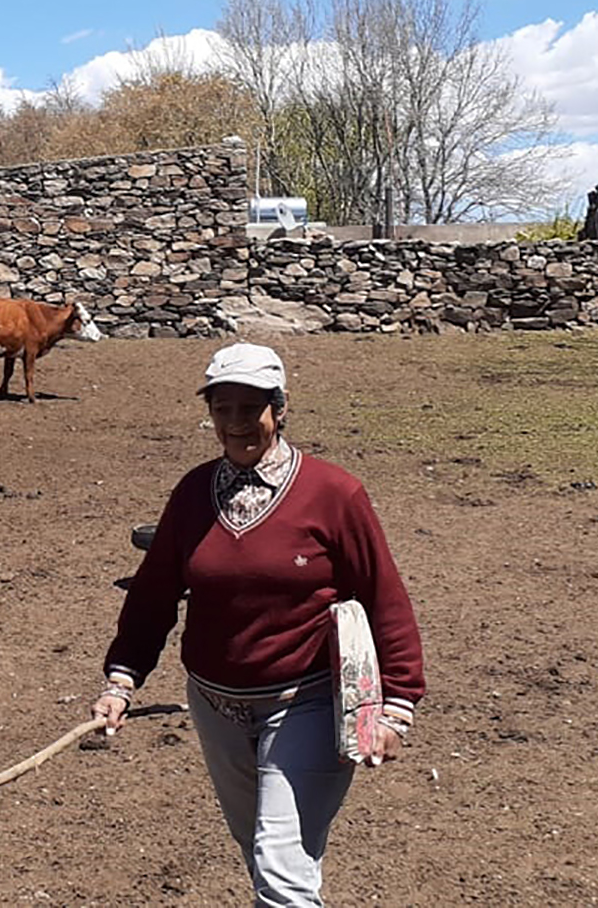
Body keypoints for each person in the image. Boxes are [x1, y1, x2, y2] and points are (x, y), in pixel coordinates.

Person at [94, 342, 425, 906]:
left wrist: (397, 706)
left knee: (282, 872)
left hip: (306, 701)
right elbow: (154, 594)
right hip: (215, 704)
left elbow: (383, 596)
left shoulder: (333, 494)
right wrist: (121, 680)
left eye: (251, 409)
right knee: (261, 850)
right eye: (223, 409)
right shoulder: (195, 493)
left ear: (280, 408)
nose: (236, 424)